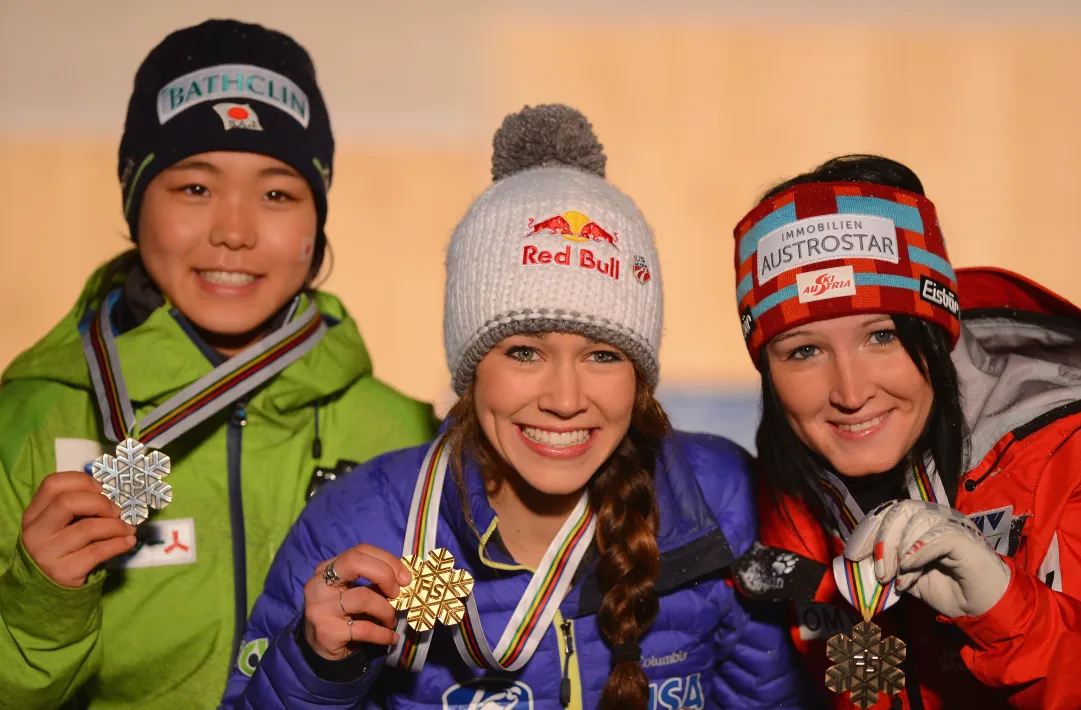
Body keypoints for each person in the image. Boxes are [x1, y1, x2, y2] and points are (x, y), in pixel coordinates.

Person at [221, 104, 810, 710]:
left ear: (640, 376)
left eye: (603, 356)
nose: (563, 400)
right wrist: (315, 669)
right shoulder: (361, 523)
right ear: (471, 369)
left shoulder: (722, 499)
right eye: (525, 351)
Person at [0, 19, 435, 710]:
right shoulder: (29, 421)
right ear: (135, 200)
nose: (234, 230)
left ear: (315, 221)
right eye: (194, 189)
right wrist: (41, 605)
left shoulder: (404, 432)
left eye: (277, 194)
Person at [734, 154, 1081, 709]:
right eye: (804, 351)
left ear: (936, 333)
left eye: (882, 337)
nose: (850, 392)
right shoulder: (779, 494)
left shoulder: (1065, 460)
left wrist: (1007, 613)